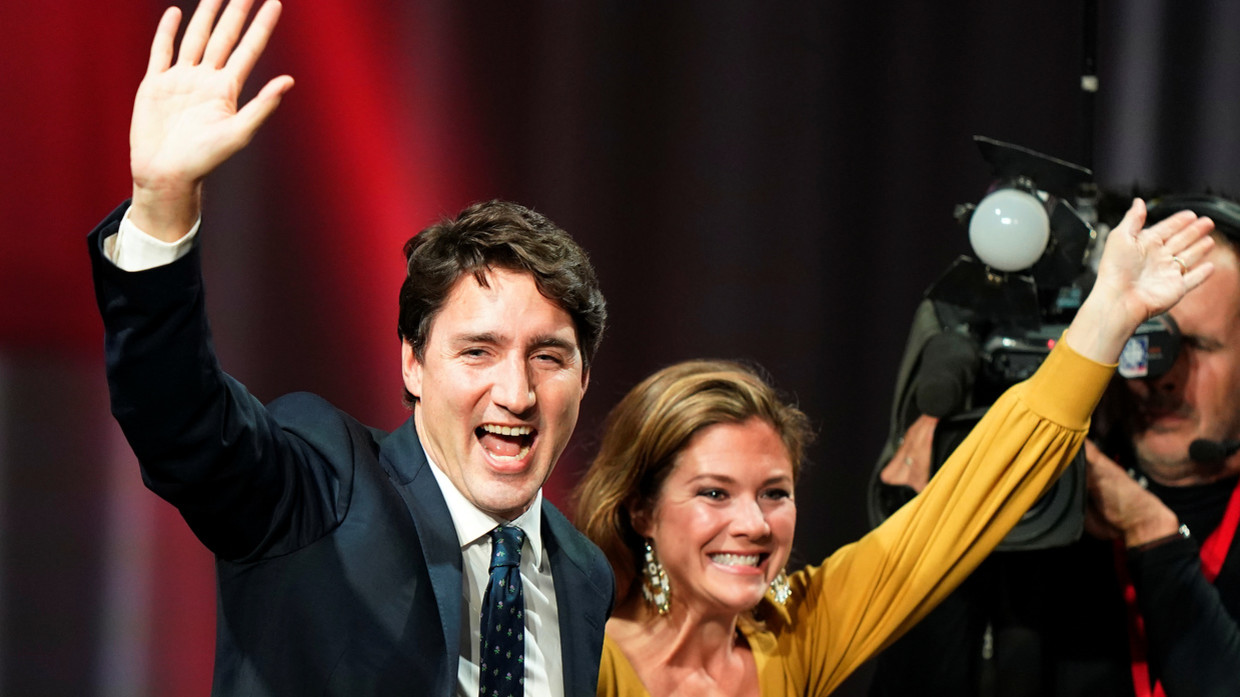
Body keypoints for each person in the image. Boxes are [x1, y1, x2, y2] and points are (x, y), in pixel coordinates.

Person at [87, 1, 613, 695]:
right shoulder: (325, 486)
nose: (516, 392)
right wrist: (161, 210)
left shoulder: (583, 574)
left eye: (548, 356)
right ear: (412, 363)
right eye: (478, 352)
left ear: (583, 377)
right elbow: (181, 423)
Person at [572, 193, 1217, 695]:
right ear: (642, 511)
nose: (753, 523)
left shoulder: (799, 631)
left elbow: (972, 496)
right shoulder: (579, 660)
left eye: (775, 493)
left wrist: (1108, 315)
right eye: (714, 492)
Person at [868, 195, 1240, 696]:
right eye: (1143, 337)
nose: (1162, 373)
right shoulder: (1054, 502)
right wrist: (930, 537)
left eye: (1195, 346)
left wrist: (1152, 534)